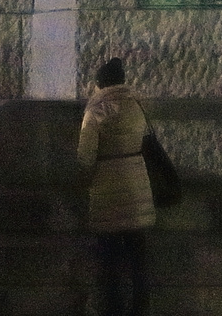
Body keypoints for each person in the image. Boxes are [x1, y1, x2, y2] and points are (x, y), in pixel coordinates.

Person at [78, 57, 155, 316]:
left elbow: (85, 156)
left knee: (109, 260)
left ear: (99, 82)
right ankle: (140, 309)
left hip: (108, 191)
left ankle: (113, 309)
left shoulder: (97, 109)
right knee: (138, 259)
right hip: (138, 184)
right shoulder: (137, 104)